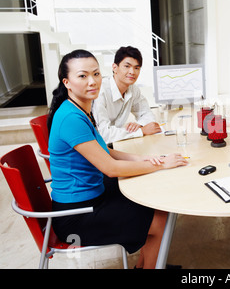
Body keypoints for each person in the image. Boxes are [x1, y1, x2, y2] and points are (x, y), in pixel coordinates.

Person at [48, 49, 188, 269]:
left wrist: (146, 158)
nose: (92, 81)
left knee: (158, 203)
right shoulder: (70, 117)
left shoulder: (80, 108)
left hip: (93, 196)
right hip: (76, 215)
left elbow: (107, 151)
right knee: (159, 220)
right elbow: (110, 168)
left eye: (95, 74)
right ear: (67, 82)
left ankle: (147, 265)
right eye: (82, 76)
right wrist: (160, 164)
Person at [93, 46, 161, 145]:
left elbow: (147, 114)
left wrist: (140, 125)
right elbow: (104, 135)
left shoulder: (133, 89)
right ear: (115, 68)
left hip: (117, 144)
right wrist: (141, 131)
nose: (132, 72)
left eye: (136, 68)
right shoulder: (100, 91)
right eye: (127, 66)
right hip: (98, 148)